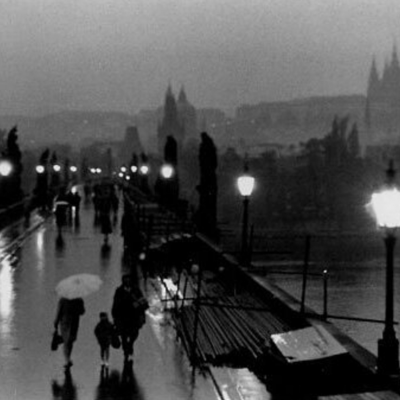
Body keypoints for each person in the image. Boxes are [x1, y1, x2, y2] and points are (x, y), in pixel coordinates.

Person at [111, 275, 147, 362]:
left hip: (134, 317)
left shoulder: (136, 290)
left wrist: (138, 306)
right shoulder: (119, 291)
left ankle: (130, 346)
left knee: (133, 334)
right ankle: (126, 351)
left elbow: (143, 303)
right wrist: (115, 316)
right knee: (124, 335)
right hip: (123, 318)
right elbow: (116, 304)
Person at [54, 297, 85, 369]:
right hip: (73, 323)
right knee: (68, 341)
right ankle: (67, 360)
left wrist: (56, 322)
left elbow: (59, 312)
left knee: (68, 341)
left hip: (65, 322)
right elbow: (82, 312)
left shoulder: (63, 300)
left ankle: (67, 358)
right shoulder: (78, 300)